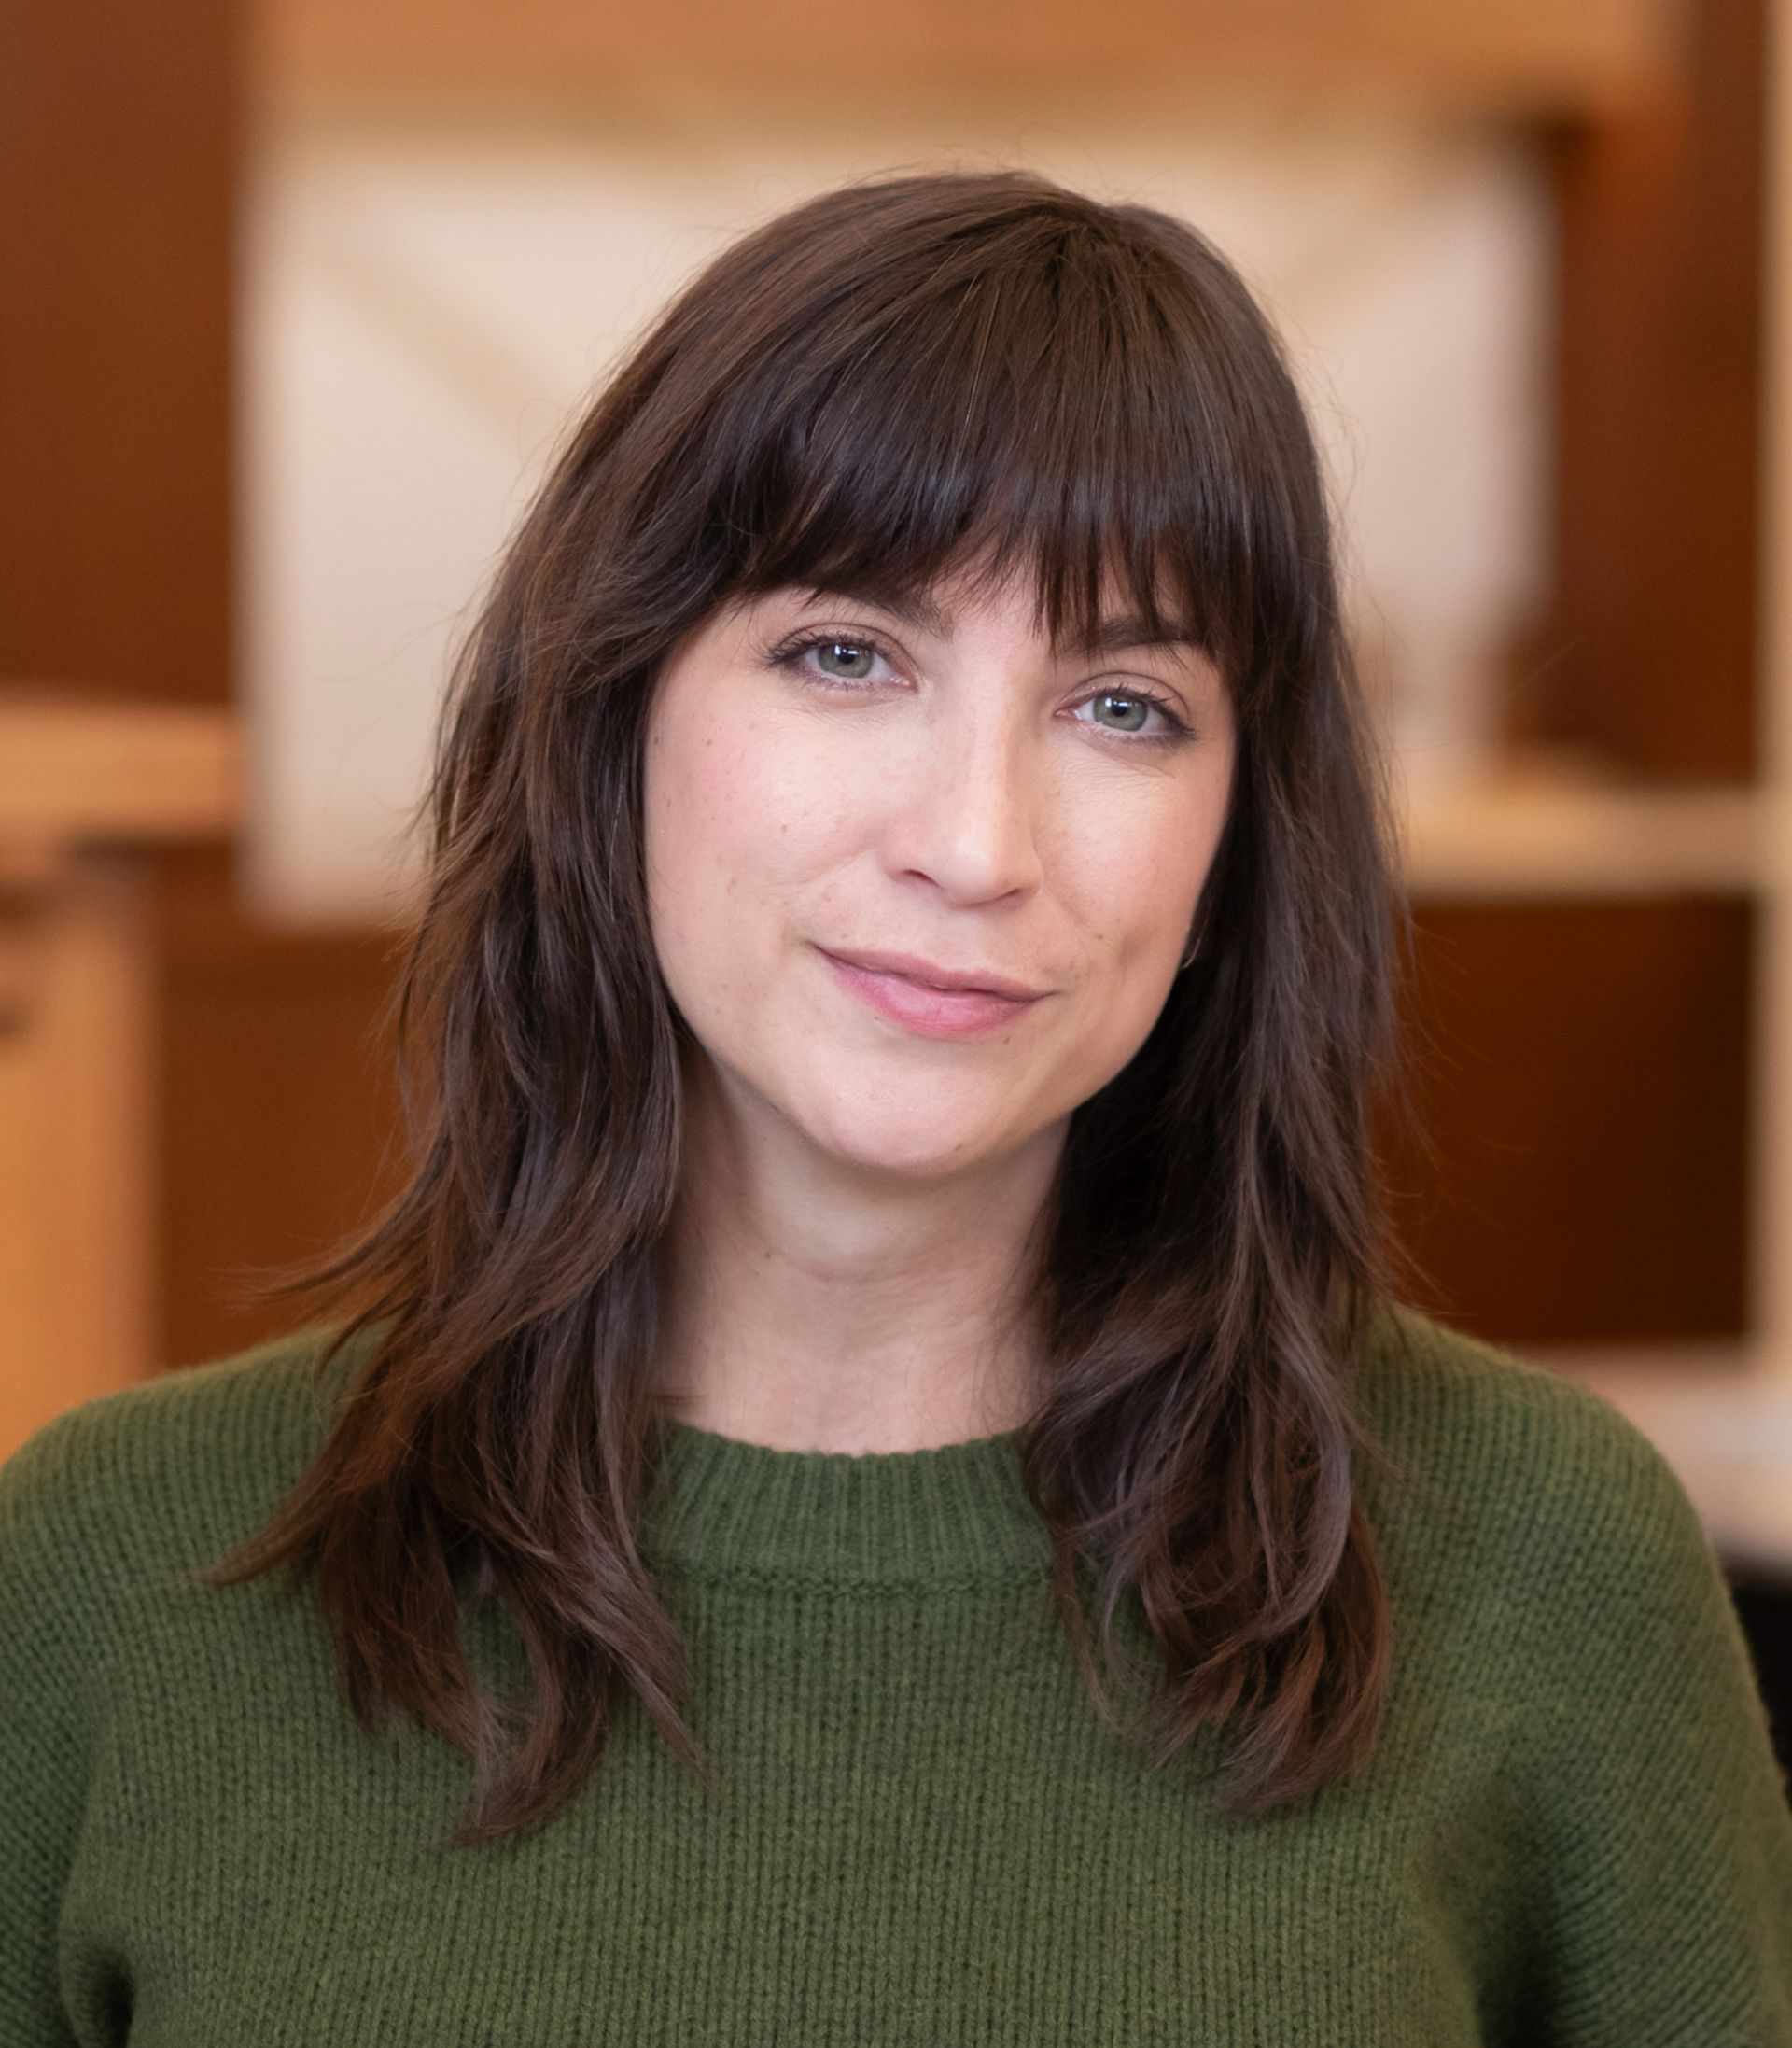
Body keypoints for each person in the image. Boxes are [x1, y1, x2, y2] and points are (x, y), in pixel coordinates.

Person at [3, 166, 1789, 2047]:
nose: (975, 841)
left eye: (1125, 706)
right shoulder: (110, 1583)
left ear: (1236, 850)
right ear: (613, 720)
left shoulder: (1544, 1577)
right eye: (847, 655)